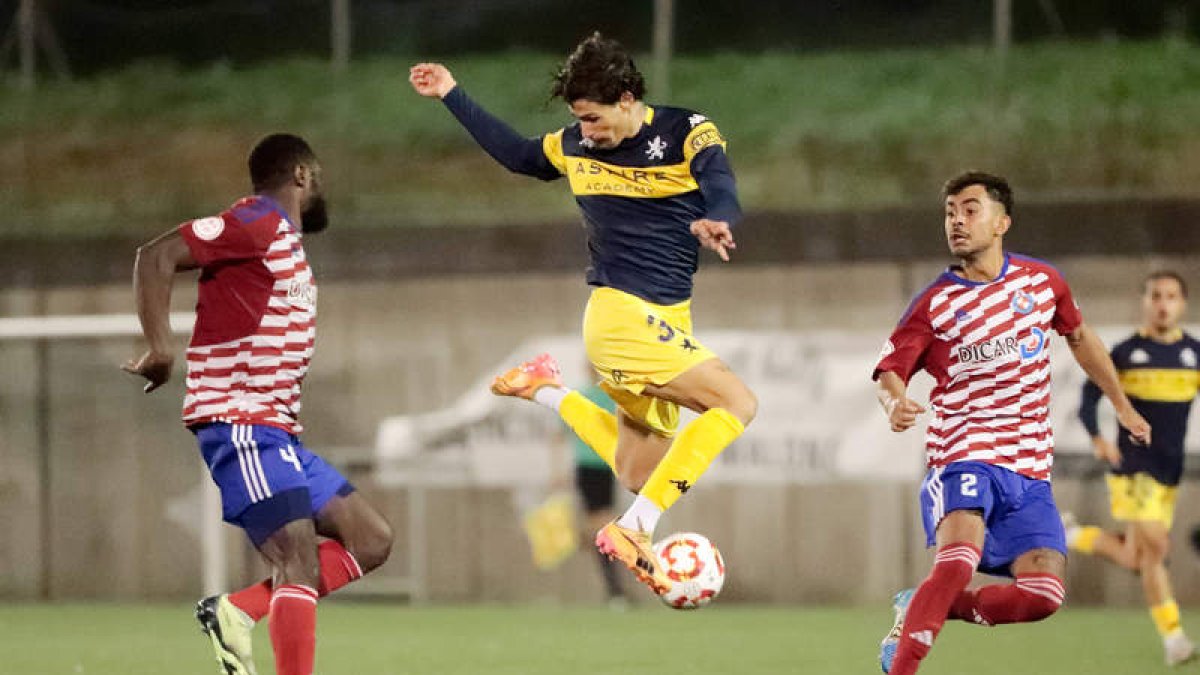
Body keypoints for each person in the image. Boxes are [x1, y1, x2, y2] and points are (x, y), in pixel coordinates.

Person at [409, 32, 757, 597]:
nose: (587, 132)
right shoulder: (574, 145)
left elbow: (721, 181)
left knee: (640, 472)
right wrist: (452, 93)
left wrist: (720, 216)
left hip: (668, 319)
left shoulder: (688, 131)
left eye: (594, 119)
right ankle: (637, 527)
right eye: (579, 121)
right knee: (738, 403)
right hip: (620, 317)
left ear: (626, 98)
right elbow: (518, 155)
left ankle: (545, 389)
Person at [123, 134, 393, 675]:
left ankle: (236, 611)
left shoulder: (284, 243)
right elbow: (156, 256)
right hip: (241, 421)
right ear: (300, 175)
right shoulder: (255, 222)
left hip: (276, 431)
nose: (320, 191)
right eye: (317, 179)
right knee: (296, 563)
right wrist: (159, 346)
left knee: (371, 539)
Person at [871, 171, 1151, 675]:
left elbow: (1080, 337)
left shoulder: (1042, 283)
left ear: (1002, 222)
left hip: (1028, 470)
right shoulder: (936, 303)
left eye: (970, 209)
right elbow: (891, 369)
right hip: (964, 455)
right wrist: (895, 403)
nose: (957, 221)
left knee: (1043, 595)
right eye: (950, 212)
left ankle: (924, 606)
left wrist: (1122, 405)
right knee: (957, 564)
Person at [1064, 270, 1199, 666]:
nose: (1162, 303)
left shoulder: (1193, 354)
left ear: (1182, 304)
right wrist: (1098, 438)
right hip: (1132, 468)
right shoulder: (1123, 352)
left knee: (1138, 557)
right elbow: (1089, 398)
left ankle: (1073, 535)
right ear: (1144, 301)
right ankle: (1174, 639)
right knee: (1157, 549)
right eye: (1156, 295)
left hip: (1168, 470)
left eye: (1171, 296)